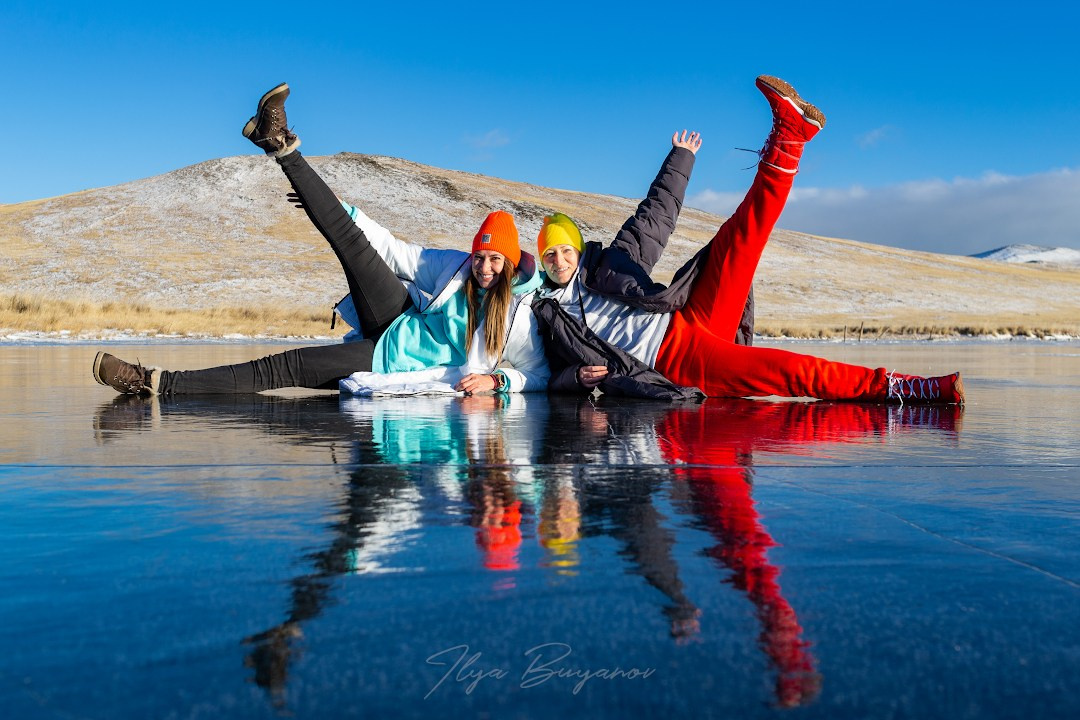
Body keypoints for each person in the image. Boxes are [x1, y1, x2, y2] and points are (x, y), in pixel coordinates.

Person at [93, 83, 549, 396]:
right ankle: (278, 141)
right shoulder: (455, 266)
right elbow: (393, 251)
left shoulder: (516, 317)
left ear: (510, 264)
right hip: (397, 315)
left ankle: (152, 382)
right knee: (351, 240)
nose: (484, 267)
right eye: (481, 256)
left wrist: (499, 382)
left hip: (388, 362)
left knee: (285, 367)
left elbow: (539, 374)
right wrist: (338, 210)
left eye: (494, 260)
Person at [532, 75, 965, 405]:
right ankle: (914, 390)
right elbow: (546, 372)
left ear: (578, 247)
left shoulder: (609, 262)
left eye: (565, 248)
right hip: (677, 364)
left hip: (685, 316)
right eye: (550, 253)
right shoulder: (546, 313)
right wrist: (576, 379)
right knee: (789, 371)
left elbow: (654, 217)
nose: (559, 259)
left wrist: (681, 157)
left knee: (739, 237)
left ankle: (790, 137)